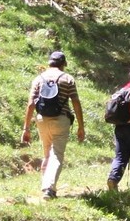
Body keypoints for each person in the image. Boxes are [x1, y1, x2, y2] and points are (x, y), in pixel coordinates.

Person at [20, 50, 85, 198]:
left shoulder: (39, 78)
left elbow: (31, 104)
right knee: (56, 154)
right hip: (61, 120)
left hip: (42, 119)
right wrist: (81, 126)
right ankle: (49, 188)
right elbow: (75, 102)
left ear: (49, 63)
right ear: (63, 64)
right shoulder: (67, 78)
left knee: (47, 153)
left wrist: (26, 128)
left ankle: (46, 185)